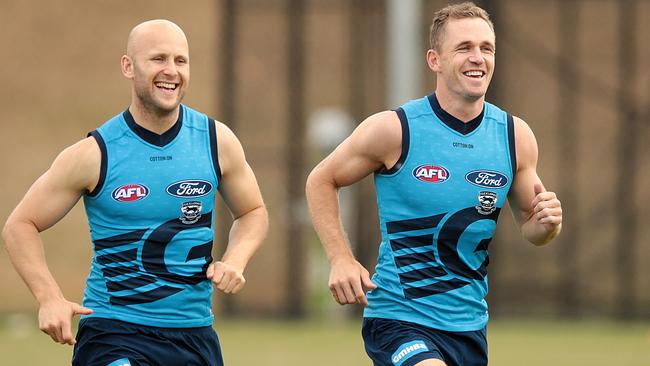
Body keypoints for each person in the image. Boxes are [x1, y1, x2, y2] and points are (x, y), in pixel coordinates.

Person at [305, 3, 562, 366]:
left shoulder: (514, 136)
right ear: (434, 60)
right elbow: (321, 180)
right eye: (464, 48)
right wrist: (341, 258)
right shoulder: (395, 129)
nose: (478, 58)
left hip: (468, 326)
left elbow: (532, 228)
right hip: (398, 318)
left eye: (486, 48)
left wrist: (548, 224)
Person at [2, 19, 268, 366]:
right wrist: (48, 297)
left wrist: (236, 259)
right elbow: (20, 225)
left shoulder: (217, 142)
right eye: (158, 59)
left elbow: (253, 212)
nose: (171, 71)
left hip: (194, 335)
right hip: (114, 333)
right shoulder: (95, 153)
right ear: (128, 66)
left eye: (180, 61)